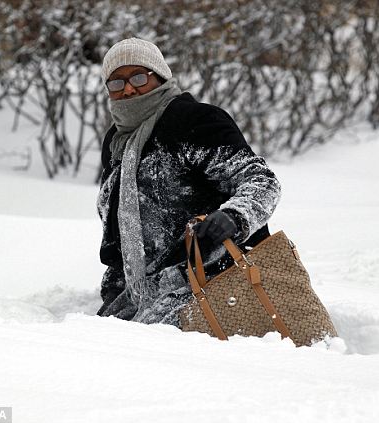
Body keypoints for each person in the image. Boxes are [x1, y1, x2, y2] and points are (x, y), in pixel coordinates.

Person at [96, 37, 281, 327]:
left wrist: (235, 216)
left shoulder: (192, 121)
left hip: (212, 279)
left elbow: (260, 180)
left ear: (159, 76)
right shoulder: (116, 141)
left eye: (139, 76)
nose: (129, 88)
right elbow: (118, 227)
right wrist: (115, 286)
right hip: (139, 295)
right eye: (116, 82)